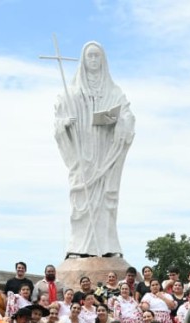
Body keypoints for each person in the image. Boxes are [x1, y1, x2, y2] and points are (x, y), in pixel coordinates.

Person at [54, 41, 134, 258]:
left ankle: (108, 246)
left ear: (103, 60)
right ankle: (80, 247)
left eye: (97, 56)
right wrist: (65, 124)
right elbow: (59, 120)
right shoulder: (71, 93)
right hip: (83, 154)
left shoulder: (114, 91)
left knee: (107, 201)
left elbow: (127, 115)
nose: (93, 60)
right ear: (83, 60)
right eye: (89, 56)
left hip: (106, 153)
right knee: (81, 200)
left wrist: (120, 122)